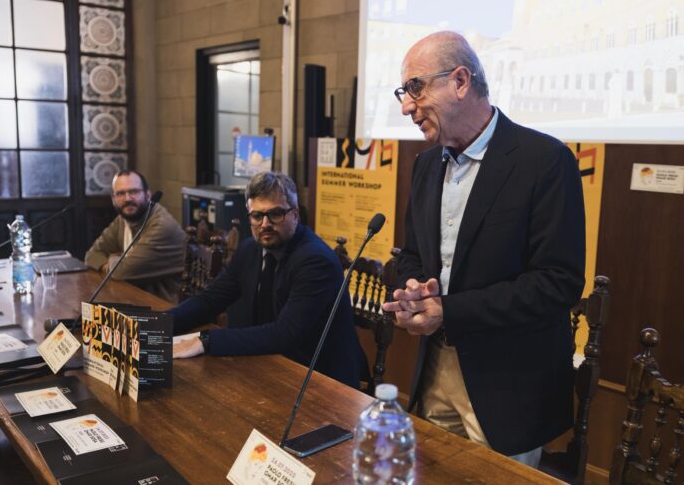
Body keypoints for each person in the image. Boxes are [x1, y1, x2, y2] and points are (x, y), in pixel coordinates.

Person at [382, 31, 585, 466]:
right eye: (403, 92)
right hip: (434, 369)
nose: (406, 107)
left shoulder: (545, 161)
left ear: (460, 81)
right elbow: (412, 254)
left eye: (415, 88)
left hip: (508, 386)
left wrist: (448, 311)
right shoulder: (425, 165)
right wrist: (414, 290)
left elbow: (557, 283)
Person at [169, 171, 366, 388]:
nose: (265, 224)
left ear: (295, 215)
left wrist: (206, 340)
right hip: (269, 364)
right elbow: (210, 299)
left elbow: (285, 334)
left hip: (321, 380)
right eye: (257, 216)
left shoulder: (316, 261)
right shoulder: (250, 249)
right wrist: (159, 324)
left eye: (275, 214)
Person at [85, 170, 185, 303]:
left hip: (164, 306)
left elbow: (122, 273)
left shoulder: (161, 226)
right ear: (113, 199)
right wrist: (117, 262)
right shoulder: (124, 219)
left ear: (148, 195)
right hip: (134, 299)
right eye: (120, 193)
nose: (127, 199)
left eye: (134, 192)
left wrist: (113, 260)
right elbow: (91, 255)